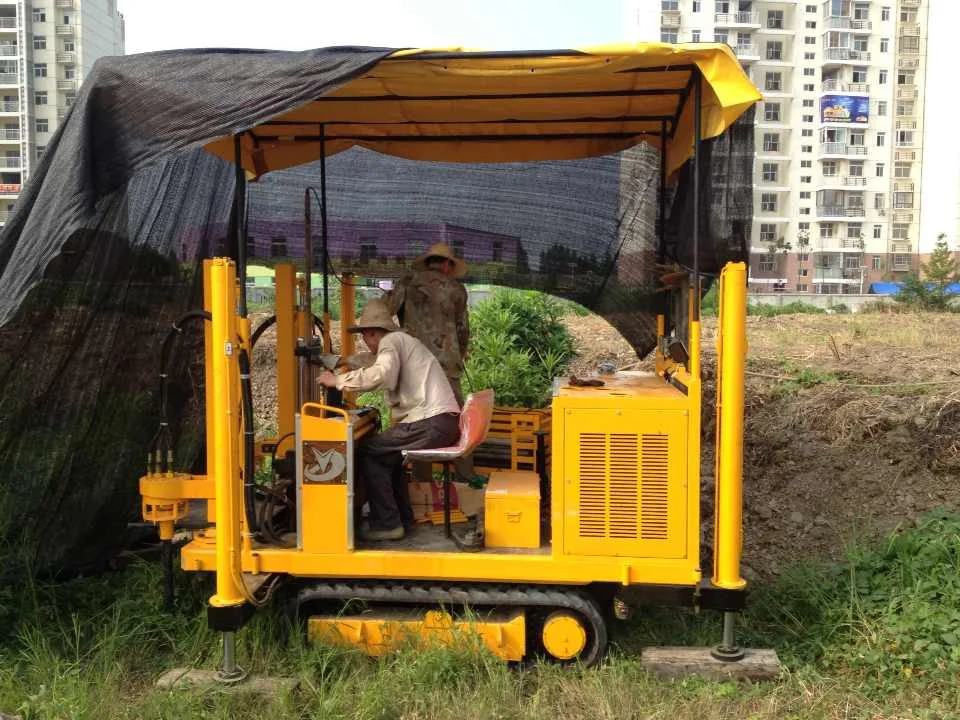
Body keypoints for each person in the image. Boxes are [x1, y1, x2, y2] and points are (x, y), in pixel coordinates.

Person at [316, 299, 460, 541]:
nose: (365, 342)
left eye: (365, 337)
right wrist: (338, 362)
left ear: (372, 333)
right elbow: (369, 361)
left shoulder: (390, 342)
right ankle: (402, 520)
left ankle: (387, 524)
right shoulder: (401, 343)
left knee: (371, 452)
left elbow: (382, 372)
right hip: (439, 422)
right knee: (389, 457)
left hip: (430, 421)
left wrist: (338, 381)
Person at [383, 242, 473, 481]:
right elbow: (463, 331)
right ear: (446, 264)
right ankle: (465, 483)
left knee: (418, 424)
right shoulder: (457, 290)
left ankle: (422, 486)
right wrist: (458, 355)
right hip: (447, 369)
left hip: (414, 370)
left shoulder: (407, 283)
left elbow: (385, 312)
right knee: (460, 425)